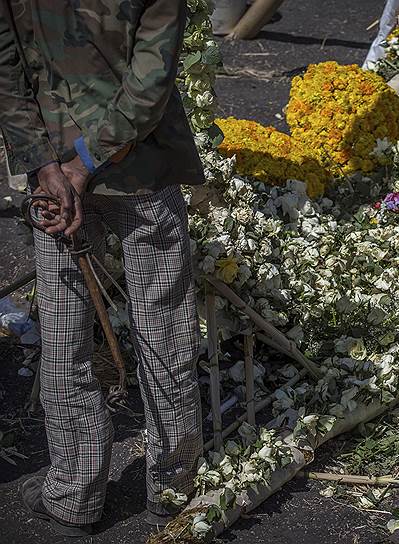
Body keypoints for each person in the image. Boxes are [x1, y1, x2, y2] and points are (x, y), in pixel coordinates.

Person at [0, 0, 206, 537]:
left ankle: (76, 491)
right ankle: (172, 485)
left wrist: (50, 167)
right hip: (141, 168)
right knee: (164, 329)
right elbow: (152, 76)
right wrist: (80, 164)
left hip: (56, 177)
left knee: (66, 335)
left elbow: (6, 70)